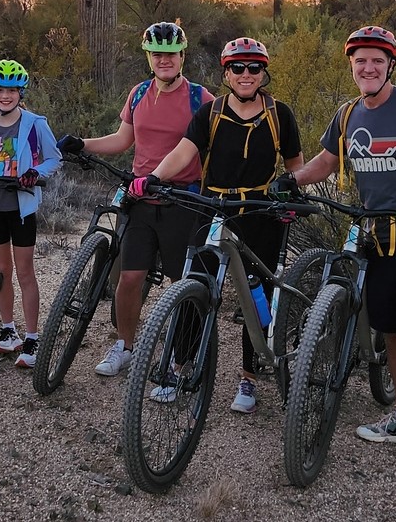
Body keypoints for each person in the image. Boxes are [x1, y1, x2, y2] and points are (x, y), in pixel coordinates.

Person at [269, 25, 396, 490]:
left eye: (377, 61)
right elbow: (327, 159)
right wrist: (294, 180)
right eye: (360, 60)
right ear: (352, 66)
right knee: (395, 332)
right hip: (375, 244)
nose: (368, 68)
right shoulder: (347, 116)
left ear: (390, 66)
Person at [128, 37, 304, 413]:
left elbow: (295, 167)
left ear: (263, 73)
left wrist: (292, 198)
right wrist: (154, 177)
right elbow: (184, 152)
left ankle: (249, 375)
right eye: (237, 68)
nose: (246, 75)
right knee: (197, 287)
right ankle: (181, 366)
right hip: (213, 208)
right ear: (226, 73)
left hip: (259, 213)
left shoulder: (280, 114)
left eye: (254, 68)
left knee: (255, 296)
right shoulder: (210, 113)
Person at [56, 22, 213, 377]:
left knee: (182, 285)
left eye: (170, 54)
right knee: (129, 278)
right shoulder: (139, 93)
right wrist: (82, 143)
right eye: (157, 54)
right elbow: (122, 139)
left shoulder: (200, 98)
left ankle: (181, 359)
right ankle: (125, 346)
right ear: (149, 57)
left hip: (183, 201)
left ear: (182, 56)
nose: (164, 60)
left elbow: (214, 146)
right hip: (141, 199)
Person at [0, 59, 62, 368]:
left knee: (25, 273)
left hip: (20, 207)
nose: (4, 96)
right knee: (1, 270)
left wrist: (34, 172)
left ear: (21, 93)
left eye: (11, 91)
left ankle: (33, 337)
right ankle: (9, 330)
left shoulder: (35, 123)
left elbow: (54, 158)